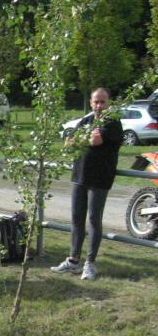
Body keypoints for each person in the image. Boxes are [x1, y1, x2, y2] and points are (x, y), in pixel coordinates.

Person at [50, 87, 123, 280]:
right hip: (79, 176)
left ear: (108, 103)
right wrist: (78, 140)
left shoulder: (112, 123)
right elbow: (69, 141)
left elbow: (95, 141)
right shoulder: (86, 121)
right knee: (76, 218)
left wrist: (80, 140)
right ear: (90, 102)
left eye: (102, 102)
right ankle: (73, 260)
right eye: (95, 101)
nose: (99, 105)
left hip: (99, 178)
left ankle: (90, 263)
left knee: (93, 220)